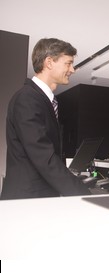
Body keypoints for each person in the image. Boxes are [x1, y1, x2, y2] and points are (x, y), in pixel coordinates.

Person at [1, 38, 91, 200]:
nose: (73, 69)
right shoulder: (27, 99)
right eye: (68, 63)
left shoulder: (41, 100)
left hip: (37, 196)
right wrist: (85, 195)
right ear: (49, 62)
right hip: (27, 199)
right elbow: (44, 157)